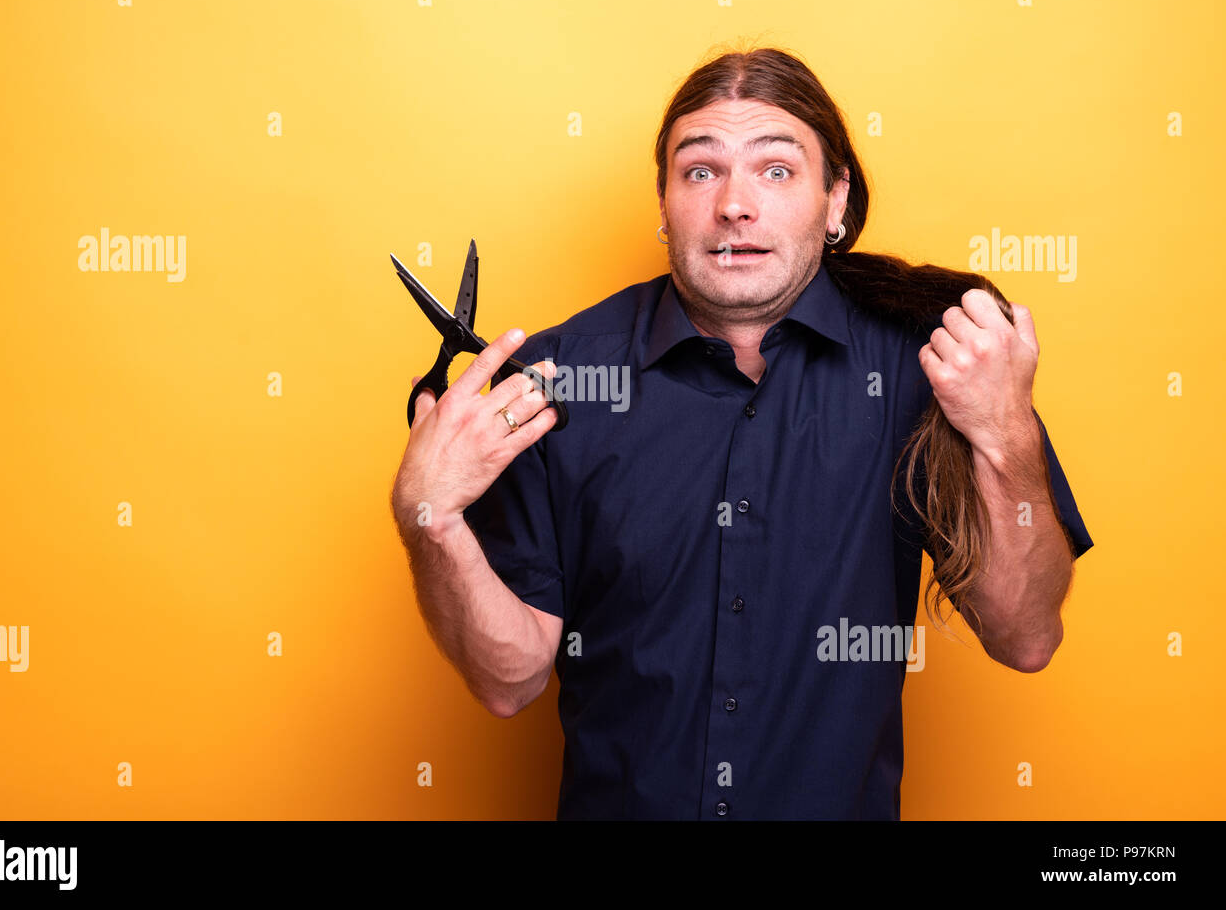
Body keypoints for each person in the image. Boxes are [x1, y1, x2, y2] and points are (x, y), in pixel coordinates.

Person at [390, 47, 1094, 819]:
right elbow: (509, 676)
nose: (734, 204)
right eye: (699, 171)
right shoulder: (554, 380)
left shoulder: (927, 364)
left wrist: (1005, 434)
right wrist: (431, 518)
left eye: (777, 170)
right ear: (662, 203)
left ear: (836, 202)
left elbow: (1025, 635)